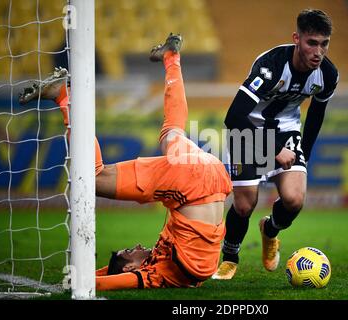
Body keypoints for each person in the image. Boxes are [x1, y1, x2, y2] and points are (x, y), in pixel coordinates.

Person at [19, 34, 233, 290]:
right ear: (133, 267)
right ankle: (64, 98)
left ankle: (171, 58)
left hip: (214, 174)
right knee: (93, 177)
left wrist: (93, 271)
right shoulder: (157, 274)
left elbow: (100, 278)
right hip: (192, 183)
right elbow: (100, 283)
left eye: (130, 249)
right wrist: (82, 279)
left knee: (172, 132)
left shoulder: (167, 268)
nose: (139, 246)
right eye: (130, 251)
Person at [212, 9, 339, 280]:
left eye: (324, 43)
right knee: (245, 205)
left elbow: (316, 115)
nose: (319, 51)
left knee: (294, 200)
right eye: (312, 43)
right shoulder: (269, 67)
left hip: (286, 130)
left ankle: (269, 231)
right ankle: (230, 257)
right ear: (297, 39)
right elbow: (233, 117)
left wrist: (304, 153)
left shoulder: (327, 74)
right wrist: (273, 150)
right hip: (248, 129)